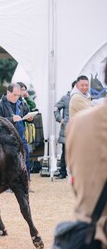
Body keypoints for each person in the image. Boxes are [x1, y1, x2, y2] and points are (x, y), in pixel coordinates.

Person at [65, 63, 107, 248]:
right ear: (78, 85)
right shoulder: (76, 98)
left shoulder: (80, 123)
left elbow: (76, 180)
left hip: (93, 232)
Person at [0, 83, 34, 192]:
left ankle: (26, 184)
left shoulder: (21, 103)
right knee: (8, 162)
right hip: (6, 138)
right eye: (15, 95)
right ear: (8, 92)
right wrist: (12, 120)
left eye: (18, 95)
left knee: (25, 161)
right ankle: (7, 186)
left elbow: (26, 114)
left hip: (21, 137)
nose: (17, 97)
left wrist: (30, 118)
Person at [53, 80, 76, 179]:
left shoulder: (85, 98)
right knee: (65, 152)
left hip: (79, 129)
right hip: (66, 129)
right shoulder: (66, 98)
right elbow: (55, 108)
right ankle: (63, 172)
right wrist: (60, 119)